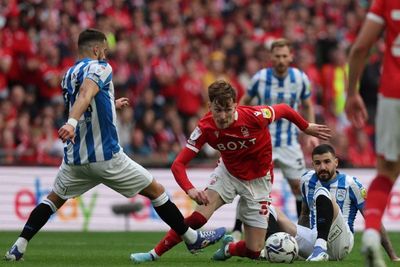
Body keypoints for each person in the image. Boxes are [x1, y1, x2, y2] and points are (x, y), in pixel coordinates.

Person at [3, 28, 225, 262]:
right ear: (97, 49)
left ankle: (19, 246)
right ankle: (191, 238)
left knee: (53, 199)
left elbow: (87, 101)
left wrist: (110, 103)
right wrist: (70, 123)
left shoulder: (67, 74)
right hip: (107, 156)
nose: (106, 56)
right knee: (157, 191)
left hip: (76, 159)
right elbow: (86, 95)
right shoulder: (100, 67)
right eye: (105, 51)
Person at [130, 79, 331, 263]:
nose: (223, 116)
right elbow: (178, 164)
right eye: (218, 110)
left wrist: (305, 127)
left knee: (254, 250)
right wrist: (190, 189)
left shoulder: (255, 116)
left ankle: (230, 249)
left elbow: (285, 109)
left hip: (259, 181)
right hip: (228, 173)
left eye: (228, 109)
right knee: (198, 218)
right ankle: (153, 254)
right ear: (210, 107)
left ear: (236, 105)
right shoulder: (204, 128)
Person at [231, 38, 319, 240]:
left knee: (298, 186)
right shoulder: (260, 78)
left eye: (284, 56)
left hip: (289, 142)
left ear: (291, 57)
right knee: (252, 187)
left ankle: (300, 232)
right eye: (277, 56)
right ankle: (237, 229)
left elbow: (307, 105)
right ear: (271, 58)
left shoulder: (300, 78)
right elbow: (243, 103)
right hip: (262, 142)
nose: (280, 60)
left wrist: (310, 132)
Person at [262, 144, 398, 262]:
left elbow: (371, 218)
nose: (322, 167)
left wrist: (392, 255)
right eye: (318, 163)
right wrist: (298, 242)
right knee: (267, 208)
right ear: (313, 164)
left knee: (321, 192)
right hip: (314, 238)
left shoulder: (351, 184)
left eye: (327, 162)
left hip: (340, 243)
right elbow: (304, 214)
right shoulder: (306, 180)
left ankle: (320, 249)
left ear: (336, 162)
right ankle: (270, 248)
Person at [345, 1, 400, 266]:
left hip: (392, 94)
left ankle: (369, 235)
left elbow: (360, 48)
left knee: (387, 172)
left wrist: (351, 92)